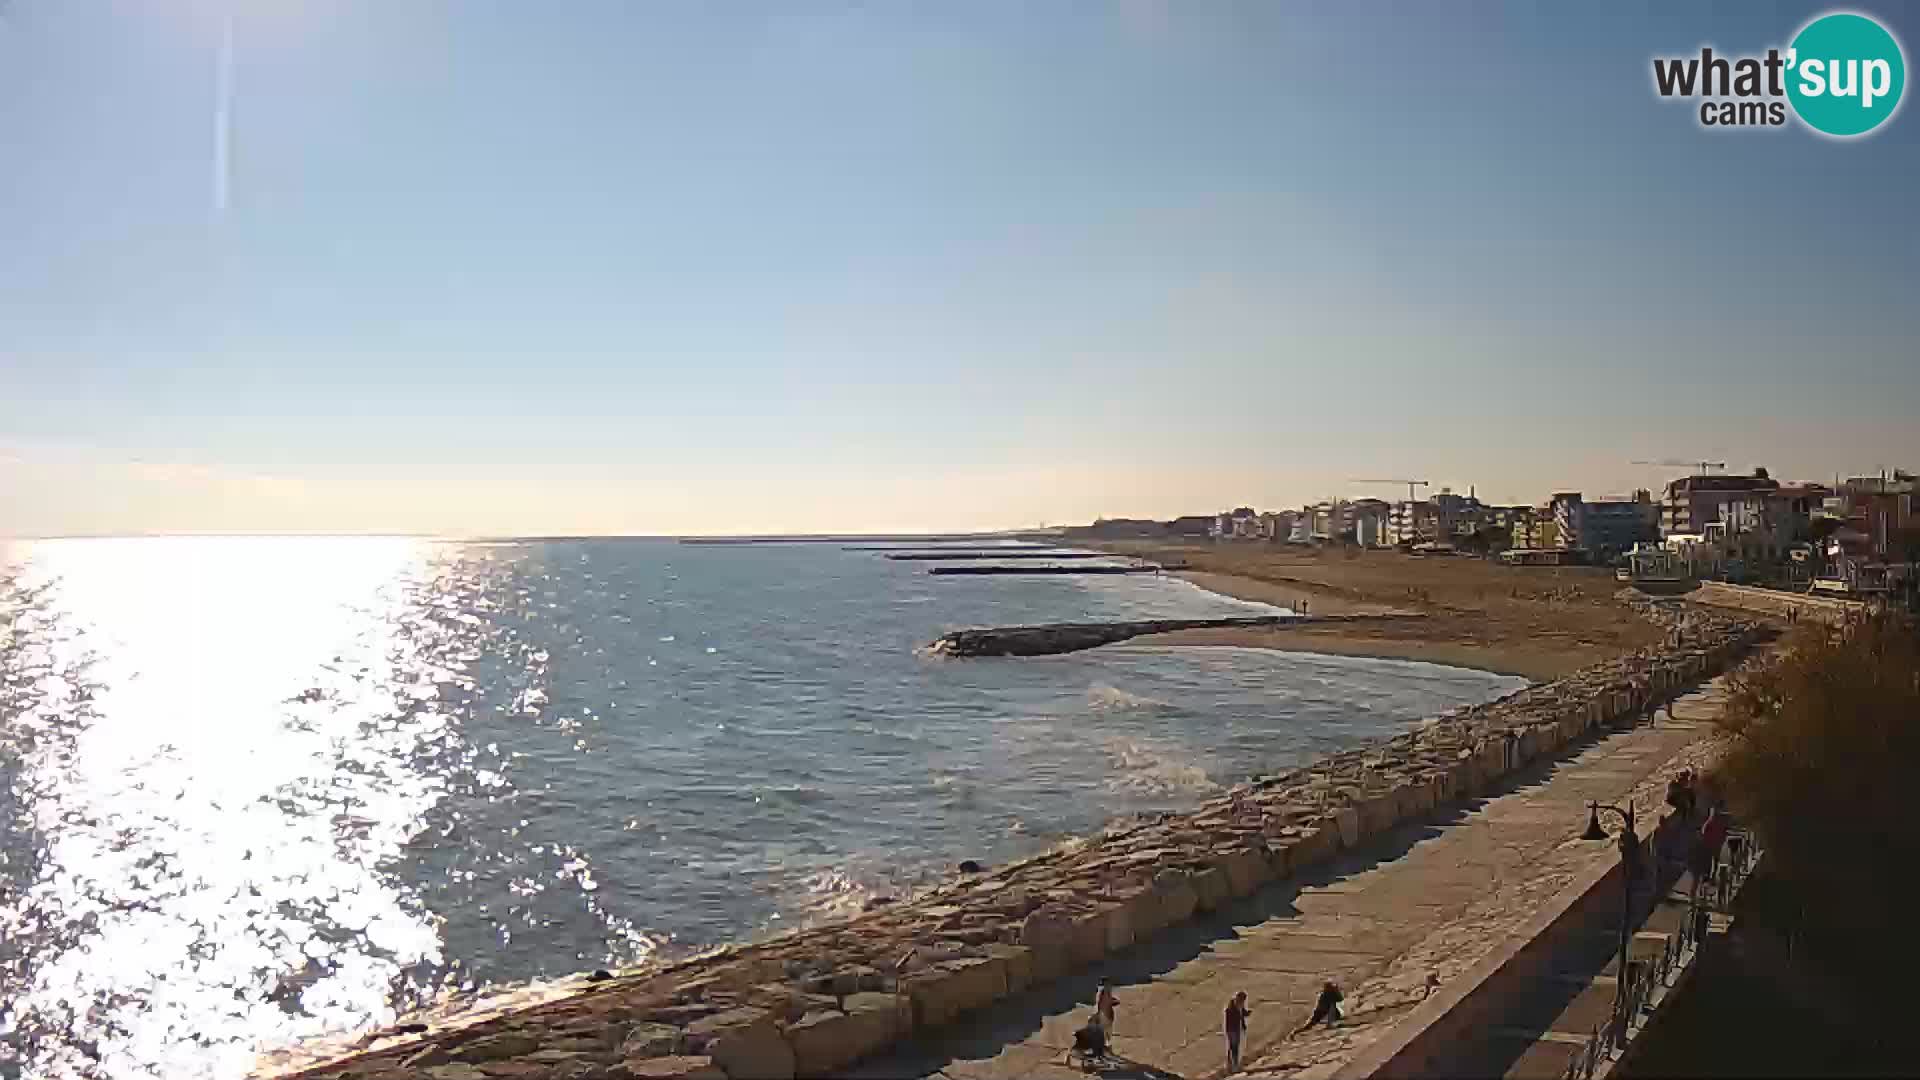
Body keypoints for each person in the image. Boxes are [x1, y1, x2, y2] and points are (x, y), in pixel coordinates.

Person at [1224, 990, 1252, 1072]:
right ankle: (1233, 1065)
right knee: (1234, 1047)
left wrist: (1247, 1013)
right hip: (1231, 1029)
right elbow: (1236, 1016)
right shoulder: (1231, 1006)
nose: (1243, 1002)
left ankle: (1232, 1065)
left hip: (1236, 1029)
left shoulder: (1238, 1004)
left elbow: (1242, 1013)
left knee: (1234, 1047)